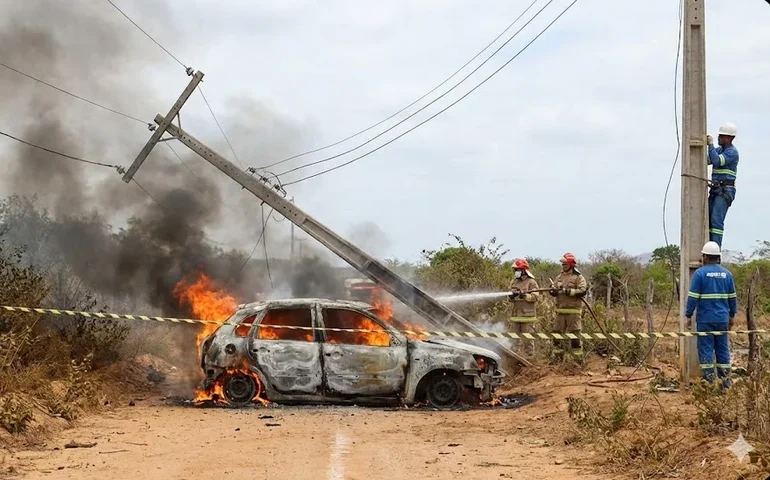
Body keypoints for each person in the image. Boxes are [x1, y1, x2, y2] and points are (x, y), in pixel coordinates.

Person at [685, 241, 737, 387]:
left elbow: (693, 297)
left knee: (706, 349)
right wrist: (732, 316)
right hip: (722, 319)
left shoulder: (700, 274)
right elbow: (732, 298)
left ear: (705, 257)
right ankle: (725, 383)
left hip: (705, 320)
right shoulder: (727, 275)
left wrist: (688, 315)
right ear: (718, 257)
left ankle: (709, 383)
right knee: (722, 349)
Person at [706, 122, 739, 247]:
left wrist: (710, 145)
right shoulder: (719, 150)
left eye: (721, 136)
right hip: (716, 189)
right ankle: (709, 248)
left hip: (725, 190)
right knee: (708, 220)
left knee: (716, 222)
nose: (719, 138)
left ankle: (715, 252)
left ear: (729, 138)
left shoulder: (732, 152)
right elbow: (707, 160)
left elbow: (716, 161)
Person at [550, 253, 588, 359]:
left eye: (565, 264)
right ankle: (558, 358)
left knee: (575, 335)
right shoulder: (559, 276)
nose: (563, 266)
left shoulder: (578, 277)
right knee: (557, 334)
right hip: (560, 311)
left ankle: (577, 360)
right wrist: (553, 290)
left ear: (571, 264)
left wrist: (568, 291)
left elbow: (583, 291)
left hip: (573, 312)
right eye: (562, 264)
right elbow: (553, 289)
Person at [508, 258, 539, 355]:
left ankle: (529, 361)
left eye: (517, 270)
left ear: (523, 270)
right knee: (513, 340)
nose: (515, 272)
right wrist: (512, 296)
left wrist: (525, 296)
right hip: (516, 315)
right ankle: (513, 359)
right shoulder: (514, 282)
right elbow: (510, 299)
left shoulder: (531, 282)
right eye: (514, 270)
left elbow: (535, 297)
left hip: (528, 316)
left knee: (528, 341)